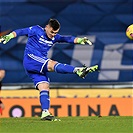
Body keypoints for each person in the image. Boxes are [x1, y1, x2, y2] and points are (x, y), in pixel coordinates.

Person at [0, 18, 98, 121]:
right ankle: (78, 70)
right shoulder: (36, 30)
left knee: (44, 87)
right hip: (31, 59)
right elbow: (20, 31)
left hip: (37, 66)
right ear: (47, 27)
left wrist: (80, 40)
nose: (53, 35)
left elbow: (66, 39)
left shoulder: (54, 37)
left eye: (56, 33)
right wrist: (9, 36)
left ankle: (45, 113)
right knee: (52, 64)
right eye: (52, 32)